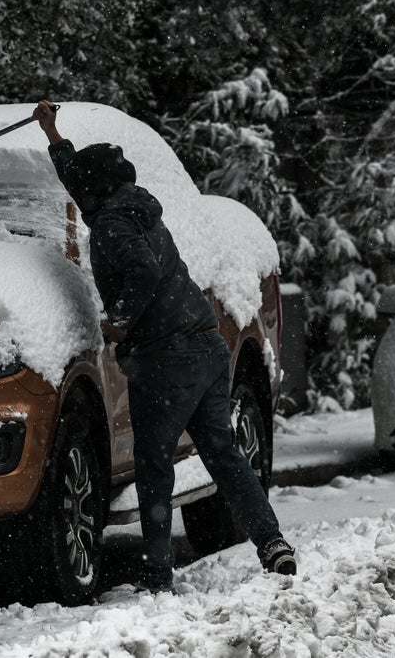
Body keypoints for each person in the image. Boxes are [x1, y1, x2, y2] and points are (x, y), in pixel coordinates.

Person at [32, 100, 296, 590]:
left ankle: (156, 574)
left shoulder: (111, 224)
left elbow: (144, 271)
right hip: (206, 346)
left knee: (154, 465)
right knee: (223, 452)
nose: (79, 190)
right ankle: (272, 542)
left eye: (85, 184)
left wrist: (120, 321)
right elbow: (81, 179)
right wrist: (53, 133)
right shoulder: (133, 207)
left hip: (167, 357)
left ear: (98, 188)